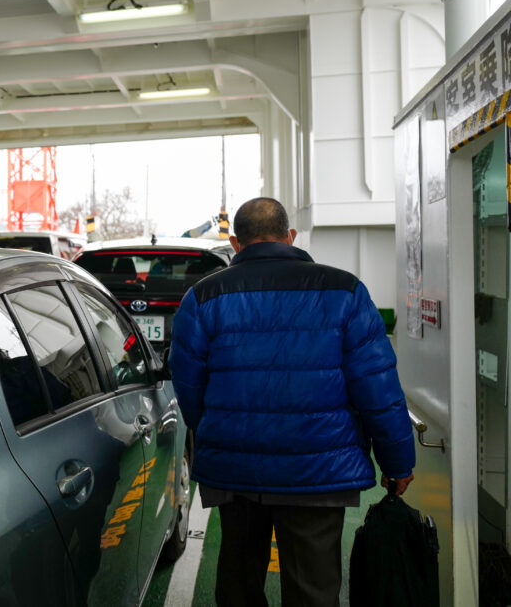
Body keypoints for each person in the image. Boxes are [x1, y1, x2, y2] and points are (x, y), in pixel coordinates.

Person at [169, 197, 415, 607]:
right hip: (319, 470)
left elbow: (188, 386)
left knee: (238, 580)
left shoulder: (203, 296)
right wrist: (398, 462)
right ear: (291, 237)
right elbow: (377, 388)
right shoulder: (345, 290)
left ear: (235, 242)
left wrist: (219, 431)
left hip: (236, 470)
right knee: (313, 589)